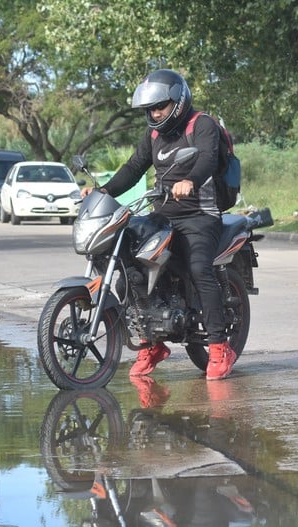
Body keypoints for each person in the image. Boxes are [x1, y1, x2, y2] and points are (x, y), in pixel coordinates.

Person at [84, 69, 236, 381]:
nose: (155, 114)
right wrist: (103, 191)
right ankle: (151, 343)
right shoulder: (154, 134)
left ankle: (220, 345)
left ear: (178, 102)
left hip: (199, 216)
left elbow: (207, 160)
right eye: (150, 109)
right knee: (129, 263)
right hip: (163, 216)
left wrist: (190, 181)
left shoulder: (201, 124)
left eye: (160, 107)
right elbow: (134, 167)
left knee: (199, 268)